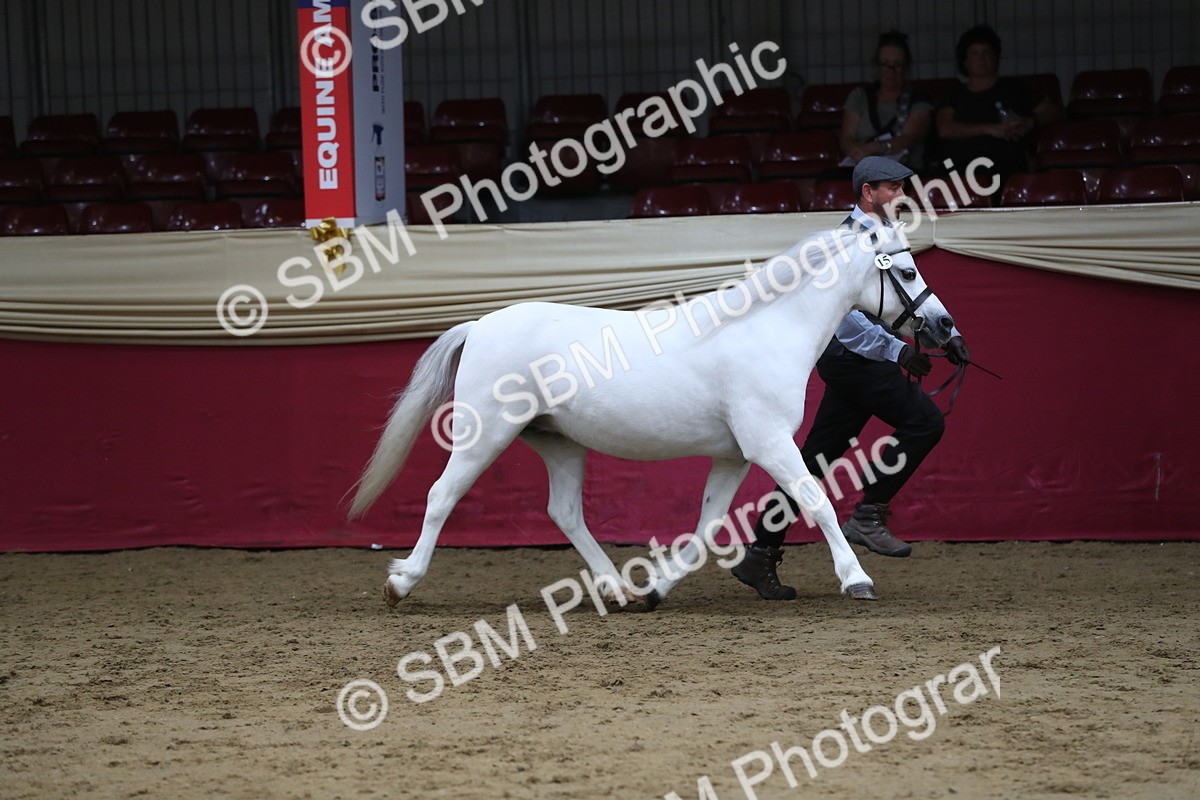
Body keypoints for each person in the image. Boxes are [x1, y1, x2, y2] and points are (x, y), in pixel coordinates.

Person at [731, 156, 969, 601]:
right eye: (893, 187)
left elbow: (911, 292)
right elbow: (844, 323)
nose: (901, 195)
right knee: (925, 423)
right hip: (850, 357)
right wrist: (897, 350)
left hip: (858, 362)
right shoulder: (842, 243)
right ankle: (869, 514)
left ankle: (760, 551)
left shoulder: (887, 236)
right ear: (867, 192)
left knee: (814, 461)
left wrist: (948, 333)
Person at [936, 24, 1062, 186]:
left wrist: (1030, 122)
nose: (981, 58)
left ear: (996, 56)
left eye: (986, 52)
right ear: (965, 61)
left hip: (1009, 173)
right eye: (974, 53)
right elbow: (945, 129)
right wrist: (993, 129)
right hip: (961, 177)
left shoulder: (1016, 88)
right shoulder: (953, 94)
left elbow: (1054, 113)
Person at [840, 31, 935, 171]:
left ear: (906, 67)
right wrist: (858, 152)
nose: (891, 71)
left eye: (897, 65)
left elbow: (909, 138)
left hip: (904, 171)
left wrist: (875, 148)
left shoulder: (920, 101)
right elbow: (847, 138)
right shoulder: (860, 96)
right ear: (877, 67)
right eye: (885, 64)